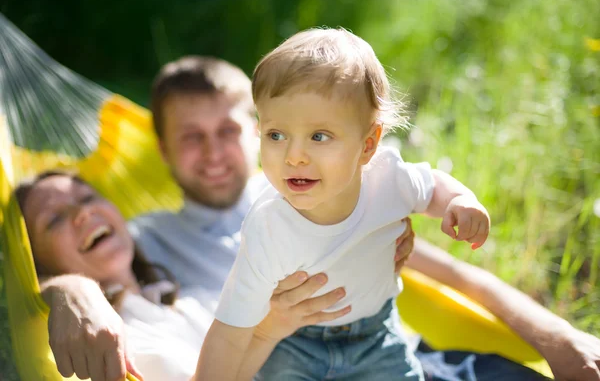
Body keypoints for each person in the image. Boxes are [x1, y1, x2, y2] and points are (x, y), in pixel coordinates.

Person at [42, 55, 600, 381]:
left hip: (408, 359)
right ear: (160, 151)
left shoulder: (326, 190)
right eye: (191, 138)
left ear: (260, 130)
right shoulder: (150, 240)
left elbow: (450, 272)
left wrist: (557, 336)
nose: (212, 153)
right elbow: (74, 265)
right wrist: (71, 292)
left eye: (228, 132)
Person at [195, 28, 490, 381]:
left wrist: (460, 200)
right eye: (276, 135)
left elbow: (432, 187)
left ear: (368, 144)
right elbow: (230, 333)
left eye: (319, 136)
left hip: (375, 336)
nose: (294, 156)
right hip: (293, 344)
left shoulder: (387, 178)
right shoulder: (268, 227)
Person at [16, 171, 372, 381]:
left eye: (88, 196)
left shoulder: (189, 296)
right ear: (36, 261)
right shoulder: (94, 342)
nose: (82, 212)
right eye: (55, 219)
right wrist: (68, 290)